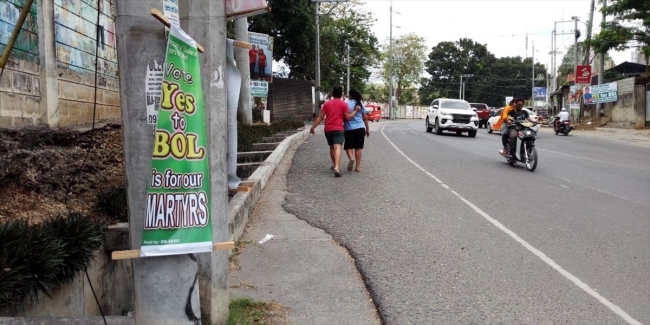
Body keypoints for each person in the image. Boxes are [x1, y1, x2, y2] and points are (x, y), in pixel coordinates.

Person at [310, 86, 361, 177]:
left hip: (328, 129)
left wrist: (313, 127)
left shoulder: (326, 104)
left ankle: (334, 165)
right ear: (341, 94)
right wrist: (356, 111)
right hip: (339, 129)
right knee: (338, 148)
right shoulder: (343, 104)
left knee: (332, 147)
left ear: (332, 93)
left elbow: (321, 117)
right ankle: (337, 167)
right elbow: (348, 117)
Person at [344, 89, 370, 172]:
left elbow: (344, 117)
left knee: (349, 146)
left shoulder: (346, 104)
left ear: (351, 95)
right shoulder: (361, 104)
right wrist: (367, 129)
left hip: (349, 128)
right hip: (360, 128)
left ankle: (351, 159)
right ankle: (358, 167)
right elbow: (365, 118)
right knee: (358, 147)